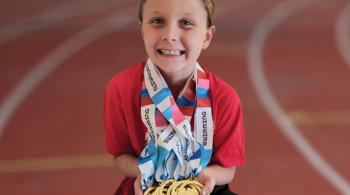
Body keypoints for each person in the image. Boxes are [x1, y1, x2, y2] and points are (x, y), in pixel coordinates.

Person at [103, 0, 245, 194]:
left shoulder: (225, 98)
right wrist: (143, 172)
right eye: (158, 21)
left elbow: (228, 169)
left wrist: (205, 176)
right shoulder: (120, 89)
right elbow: (120, 157)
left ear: (206, 37)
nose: (170, 36)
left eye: (186, 23)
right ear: (142, 29)